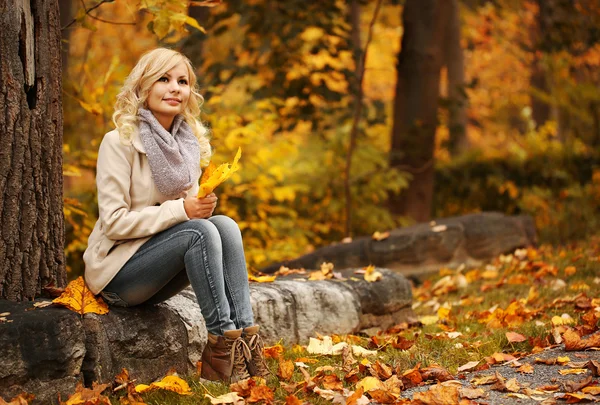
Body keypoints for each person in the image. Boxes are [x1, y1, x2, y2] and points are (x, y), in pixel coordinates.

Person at [83, 48, 267, 383]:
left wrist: (198, 206)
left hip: (159, 271)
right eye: (163, 79)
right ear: (144, 87)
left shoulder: (187, 144)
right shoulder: (119, 142)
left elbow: (186, 220)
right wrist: (183, 210)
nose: (175, 88)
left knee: (223, 225)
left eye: (182, 81)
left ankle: (246, 339)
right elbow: (113, 221)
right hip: (118, 275)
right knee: (199, 231)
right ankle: (220, 346)